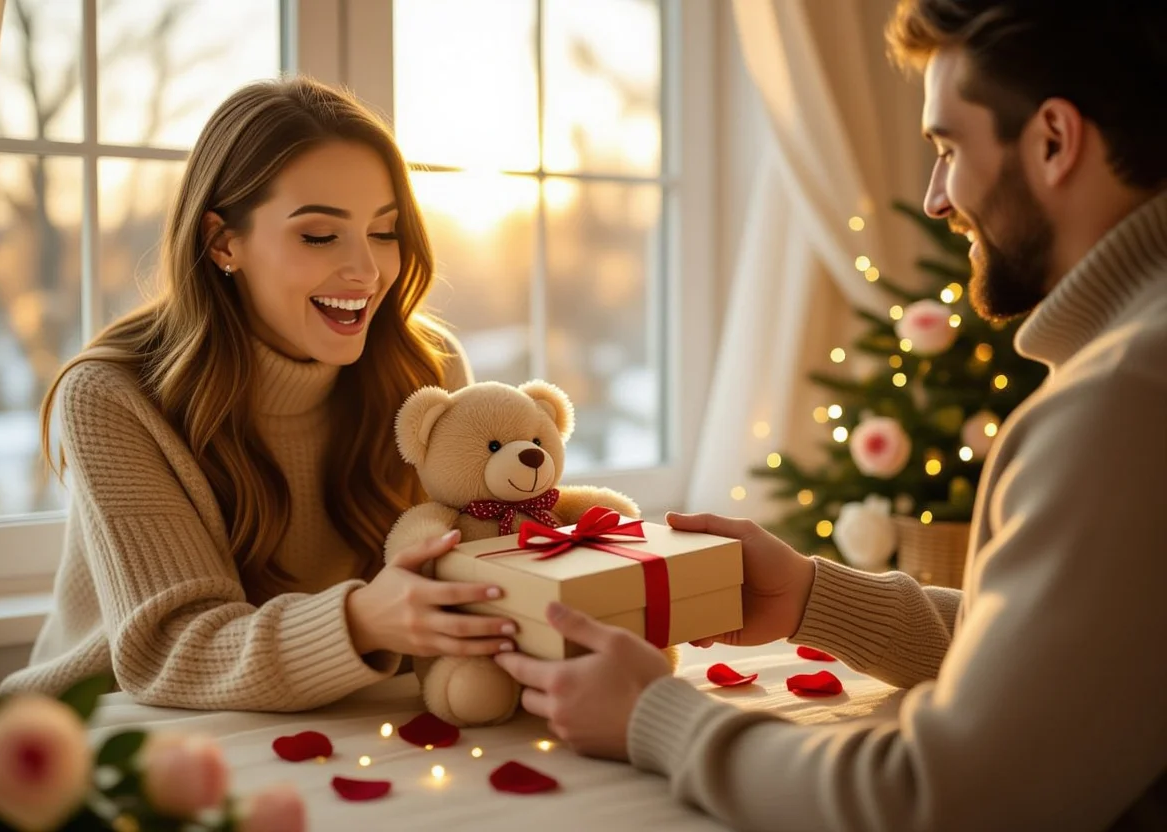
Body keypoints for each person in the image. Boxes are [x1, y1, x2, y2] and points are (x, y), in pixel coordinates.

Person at [495, 1, 1167, 828]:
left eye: (948, 149)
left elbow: (947, 801)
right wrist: (815, 598)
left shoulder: (1128, 398)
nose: (934, 200)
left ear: (1055, 141)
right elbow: (1077, 671)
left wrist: (655, 718)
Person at [0, 78, 519, 710]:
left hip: (349, 713)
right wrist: (361, 621)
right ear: (223, 242)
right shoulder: (113, 396)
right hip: (107, 724)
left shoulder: (425, 369)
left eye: (384, 232)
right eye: (320, 236)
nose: (367, 270)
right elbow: (170, 647)